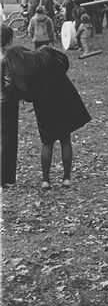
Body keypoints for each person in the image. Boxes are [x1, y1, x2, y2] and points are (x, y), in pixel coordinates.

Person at [3, 44, 91, 189]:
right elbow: (64, 62)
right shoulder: (46, 56)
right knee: (65, 140)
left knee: (47, 143)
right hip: (63, 100)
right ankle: (66, 178)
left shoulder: (27, 71)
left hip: (44, 106)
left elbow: (28, 96)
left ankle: (46, 180)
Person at [1, 25, 21, 188]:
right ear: (9, 39)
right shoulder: (7, 57)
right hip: (6, 101)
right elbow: (8, 84)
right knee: (8, 138)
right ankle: (6, 177)